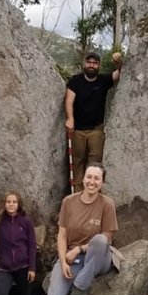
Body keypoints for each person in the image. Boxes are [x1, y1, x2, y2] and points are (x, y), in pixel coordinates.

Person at [27, 163, 118, 295]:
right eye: (89, 177)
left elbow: (107, 238)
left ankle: (82, 285)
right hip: (72, 259)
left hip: (99, 256)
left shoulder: (107, 204)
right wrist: (63, 261)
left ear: (102, 182)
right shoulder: (69, 202)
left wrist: (78, 248)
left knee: (97, 240)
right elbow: (61, 235)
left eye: (97, 178)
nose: (92, 182)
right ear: (83, 178)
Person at [64, 50, 122, 192]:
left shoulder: (103, 80)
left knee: (95, 162)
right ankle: (77, 193)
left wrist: (119, 63)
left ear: (99, 66)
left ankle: (94, 192)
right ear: (84, 64)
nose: (91, 65)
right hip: (77, 129)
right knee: (77, 161)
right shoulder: (75, 81)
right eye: (89, 62)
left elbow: (119, 74)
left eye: (95, 63)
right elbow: (69, 100)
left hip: (96, 129)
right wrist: (70, 118)